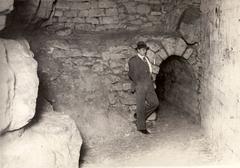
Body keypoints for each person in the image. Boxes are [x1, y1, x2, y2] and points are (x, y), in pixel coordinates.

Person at [128, 41, 159, 134]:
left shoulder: (147, 59)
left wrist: (152, 82)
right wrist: (138, 83)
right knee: (140, 106)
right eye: (142, 49)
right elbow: (131, 74)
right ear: (138, 50)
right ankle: (141, 127)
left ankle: (139, 116)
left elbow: (149, 72)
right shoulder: (133, 60)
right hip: (140, 86)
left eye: (145, 49)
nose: (144, 51)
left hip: (149, 85)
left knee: (155, 103)